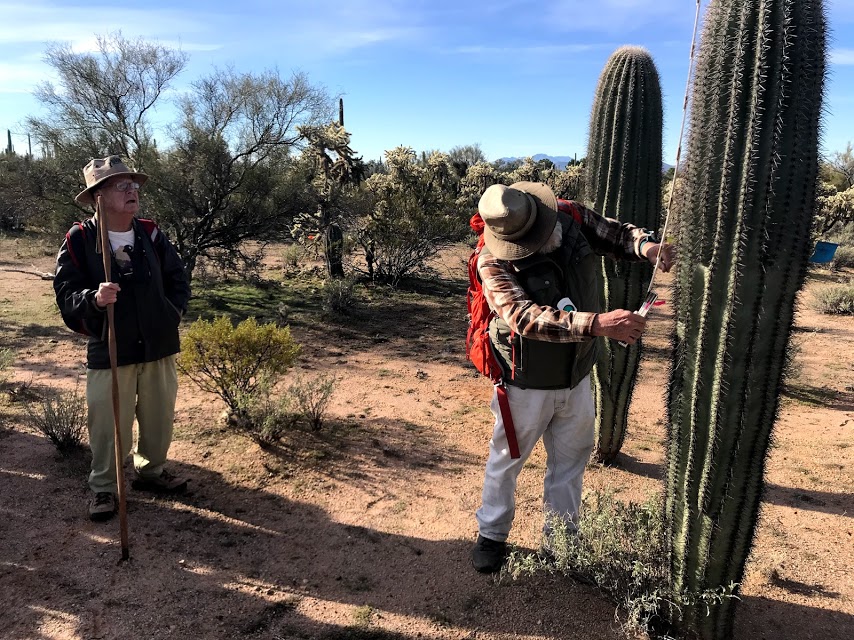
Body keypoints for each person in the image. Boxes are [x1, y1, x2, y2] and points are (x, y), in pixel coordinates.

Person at [471, 181, 674, 573]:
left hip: (578, 372)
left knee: (570, 460)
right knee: (507, 458)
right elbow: (524, 317)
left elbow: (612, 233)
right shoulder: (489, 259)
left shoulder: (570, 215)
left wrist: (646, 247)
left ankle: (561, 541)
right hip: (523, 381)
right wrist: (599, 324)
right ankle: (492, 535)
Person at [54, 156, 191, 521]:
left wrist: (171, 315)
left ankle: (152, 472)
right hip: (110, 346)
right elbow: (65, 294)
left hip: (157, 343)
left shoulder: (150, 232)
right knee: (108, 422)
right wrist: (94, 300)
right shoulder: (79, 239)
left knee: (159, 416)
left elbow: (178, 280)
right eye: (122, 186)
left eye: (134, 185)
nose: (133, 191)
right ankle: (104, 489)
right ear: (98, 196)